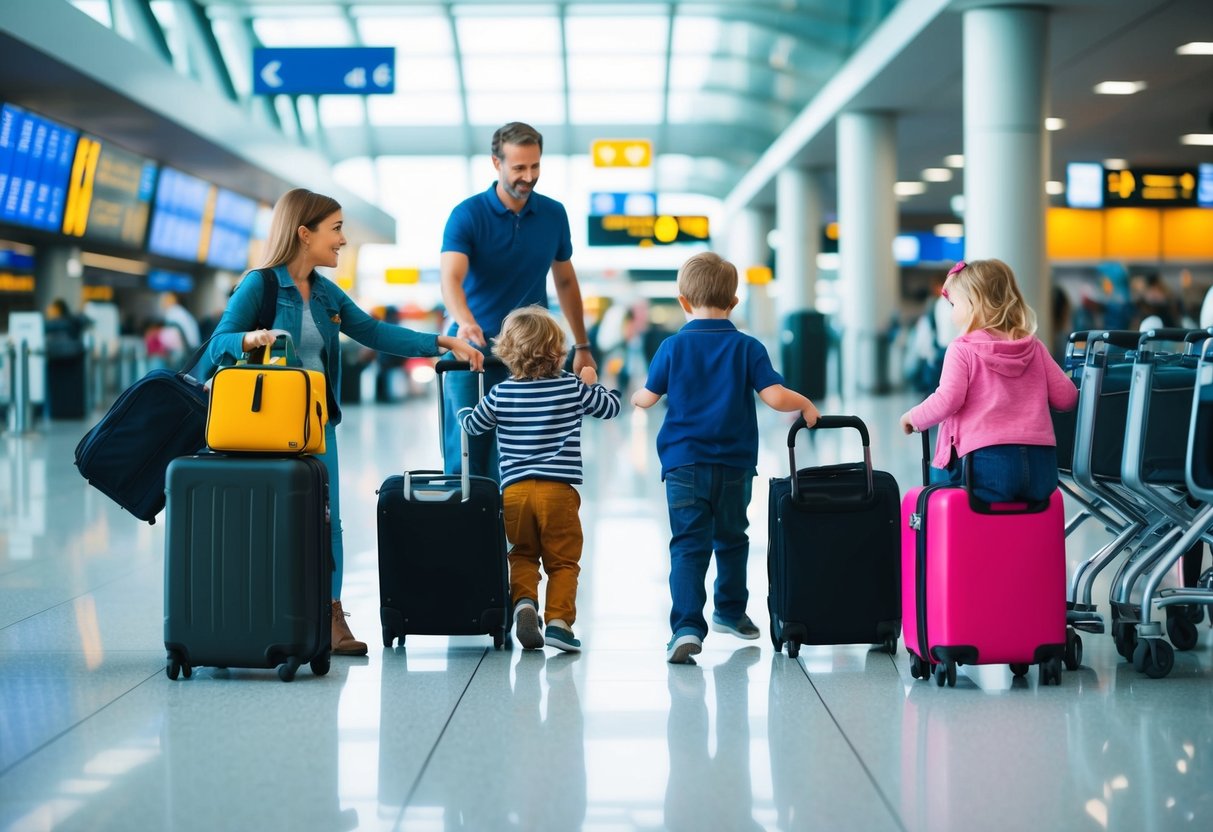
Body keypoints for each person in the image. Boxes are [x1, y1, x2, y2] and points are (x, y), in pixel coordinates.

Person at [195, 188, 483, 655]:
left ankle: (331, 617)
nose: (343, 240)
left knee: (327, 519)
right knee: (269, 517)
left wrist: (442, 343)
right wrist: (248, 338)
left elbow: (373, 332)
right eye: (336, 229)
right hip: (262, 424)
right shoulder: (261, 285)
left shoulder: (327, 292)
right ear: (303, 233)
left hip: (314, 424)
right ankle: (260, 611)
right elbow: (215, 346)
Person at [631, 252, 821, 664]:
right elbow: (774, 397)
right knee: (733, 539)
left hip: (683, 466)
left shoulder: (671, 346)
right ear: (733, 303)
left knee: (687, 546)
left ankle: (685, 627)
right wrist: (805, 403)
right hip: (735, 467)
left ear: (683, 301)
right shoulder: (747, 347)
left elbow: (646, 399)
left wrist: (633, 395)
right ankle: (730, 612)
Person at [458, 305, 621, 653]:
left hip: (515, 492)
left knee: (522, 553)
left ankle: (524, 603)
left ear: (506, 352)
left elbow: (473, 426)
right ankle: (560, 624)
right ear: (558, 351)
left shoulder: (501, 394)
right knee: (562, 560)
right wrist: (593, 383)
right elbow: (610, 409)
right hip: (558, 492)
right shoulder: (572, 387)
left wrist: (463, 413)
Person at [440, 121, 596, 482]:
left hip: (531, 355)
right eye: (519, 168)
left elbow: (567, 281)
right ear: (496, 163)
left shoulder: (553, 214)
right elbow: (451, 278)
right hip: (473, 351)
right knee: (467, 455)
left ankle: (519, 536)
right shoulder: (468, 215)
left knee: (531, 459)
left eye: (535, 166)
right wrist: (464, 321)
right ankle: (468, 534)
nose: (529, 176)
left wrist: (582, 344)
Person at [899, 259, 1079, 502]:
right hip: (1042, 470)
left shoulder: (962, 349)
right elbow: (1067, 397)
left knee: (950, 496)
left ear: (973, 304)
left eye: (954, 304)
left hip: (987, 466)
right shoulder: (1033, 346)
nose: (951, 312)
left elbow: (947, 400)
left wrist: (914, 417)